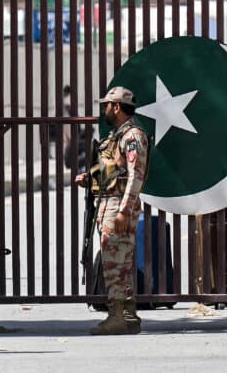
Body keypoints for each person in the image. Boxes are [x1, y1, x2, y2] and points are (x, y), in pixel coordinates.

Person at [74, 86, 149, 335]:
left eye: (107, 105)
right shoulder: (119, 136)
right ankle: (127, 316)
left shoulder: (132, 136)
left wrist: (123, 212)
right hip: (110, 202)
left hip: (118, 205)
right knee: (120, 264)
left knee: (115, 265)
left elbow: (135, 178)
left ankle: (117, 316)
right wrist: (90, 178)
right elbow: (115, 172)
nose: (104, 109)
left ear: (116, 107)